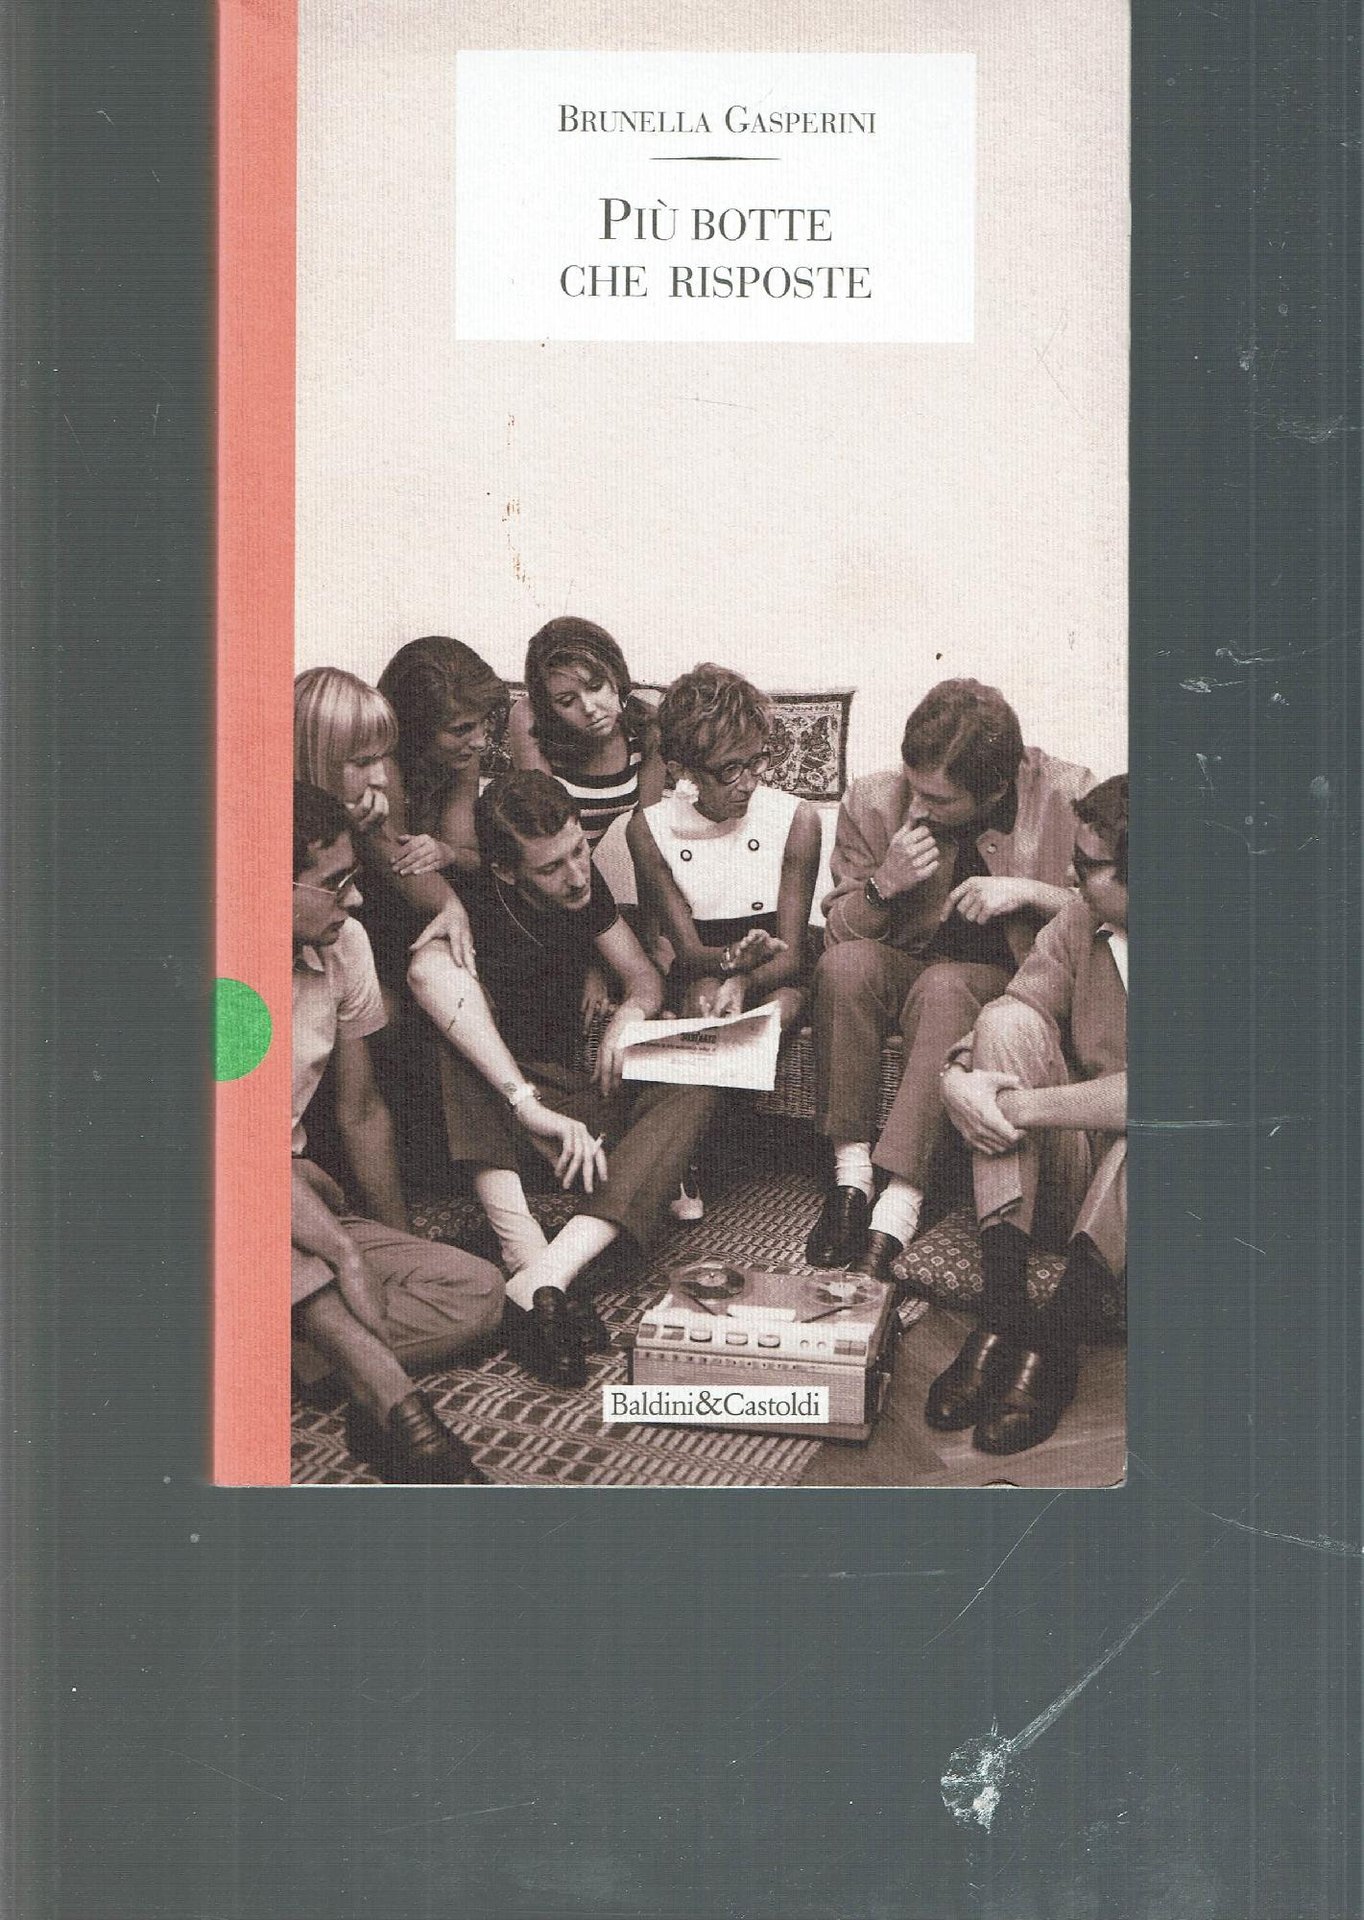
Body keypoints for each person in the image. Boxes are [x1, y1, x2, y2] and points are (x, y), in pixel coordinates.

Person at [407, 771, 717, 1389]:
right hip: (500, 1111)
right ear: (506, 872)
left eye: (579, 851)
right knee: (456, 1046)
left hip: (569, 1099)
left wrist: (630, 1015)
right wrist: (524, 1103)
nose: (576, 875)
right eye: (551, 867)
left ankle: (544, 1278)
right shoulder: (468, 901)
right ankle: (524, 1248)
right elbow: (426, 973)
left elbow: (642, 976)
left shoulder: (585, 887)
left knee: (698, 1074)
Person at [807, 679, 1092, 1285]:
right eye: (913, 786)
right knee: (844, 967)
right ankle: (851, 1179)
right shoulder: (874, 800)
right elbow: (837, 936)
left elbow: (1114, 911)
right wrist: (882, 886)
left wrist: (1029, 892)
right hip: (904, 967)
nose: (916, 807)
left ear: (996, 789)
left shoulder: (1068, 797)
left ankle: (899, 1206)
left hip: (1009, 985)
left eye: (937, 799)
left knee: (946, 985)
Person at [290, 783, 503, 1483]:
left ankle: (295, 1346)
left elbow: (361, 1114)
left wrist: (390, 1245)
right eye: (334, 884)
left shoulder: (343, 946)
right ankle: (402, 1416)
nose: (354, 899)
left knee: (476, 1292)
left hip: (299, 1207)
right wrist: (343, 1252)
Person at [933, 775, 1128, 1454]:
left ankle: (1057, 1340)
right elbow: (1014, 1009)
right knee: (1005, 1022)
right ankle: (1003, 1312)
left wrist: (1015, 1106)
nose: (1071, 877)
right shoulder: (1080, 920)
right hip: (1079, 1173)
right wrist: (957, 1081)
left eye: (1089, 866)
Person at [628, 664, 821, 1218]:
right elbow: (688, 952)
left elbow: (791, 953)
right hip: (703, 960)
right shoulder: (648, 829)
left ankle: (683, 1145)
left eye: (757, 761)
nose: (749, 782)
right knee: (703, 998)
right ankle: (684, 1156)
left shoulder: (797, 819)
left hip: (780, 966)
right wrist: (727, 967)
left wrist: (744, 978)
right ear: (682, 771)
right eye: (729, 770)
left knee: (780, 1009)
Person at [509, 616, 667, 848]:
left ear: (616, 674)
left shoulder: (647, 726)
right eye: (567, 701)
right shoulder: (528, 717)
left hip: (577, 865)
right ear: (548, 707)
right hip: (537, 863)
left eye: (595, 686)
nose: (589, 708)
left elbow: (646, 830)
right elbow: (547, 834)